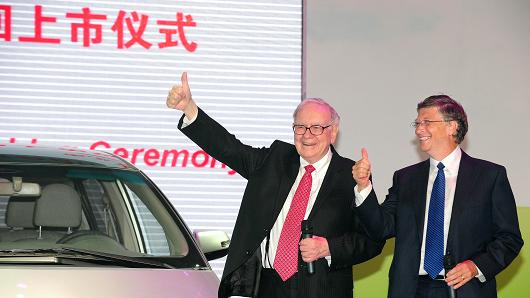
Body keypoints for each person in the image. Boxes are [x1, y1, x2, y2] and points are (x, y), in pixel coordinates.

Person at [167, 72, 383, 298]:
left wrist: (329, 247)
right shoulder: (274, 160)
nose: (307, 135)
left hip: (322, 288)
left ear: (333, 132)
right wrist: (189, 108)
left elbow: (371, 241)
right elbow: (229, 148)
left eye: (316, 127)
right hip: (269, 286)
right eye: (300, 127)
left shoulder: (351, 175)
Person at [352, 94, 523, 298]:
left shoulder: (489, 176)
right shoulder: (406, 178)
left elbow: (509, 238)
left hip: (467, 289)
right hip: (411, 290)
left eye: (426, 122)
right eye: (417, 123)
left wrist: (475, 267)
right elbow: (381, 227)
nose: (418, 130)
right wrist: (363, 186)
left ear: (452, 126)